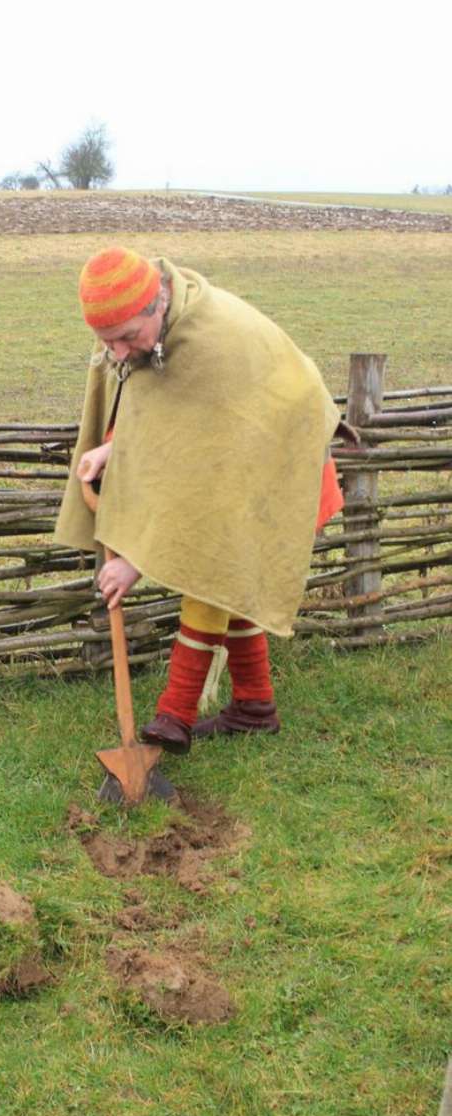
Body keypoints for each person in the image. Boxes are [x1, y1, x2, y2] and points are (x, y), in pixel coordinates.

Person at [53, 246, 346, 754]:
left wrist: (135, 562)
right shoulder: (147, 339)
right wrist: (113, 448)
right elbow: (175, 431)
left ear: (156, 307)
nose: (118, 353)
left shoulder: (212, 341)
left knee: (214, 563)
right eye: (106, 343)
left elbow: (204, 482)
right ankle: (255, 707)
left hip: (278, 456)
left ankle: (175, 717)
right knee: (225, 572)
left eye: (125, 338)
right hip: (227, 462)